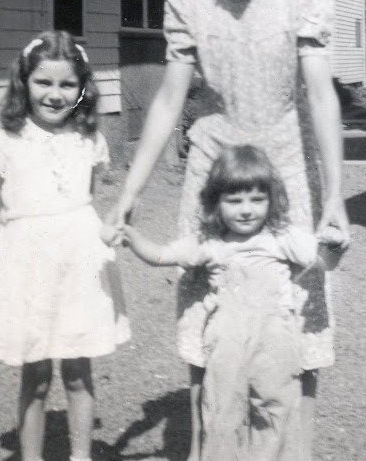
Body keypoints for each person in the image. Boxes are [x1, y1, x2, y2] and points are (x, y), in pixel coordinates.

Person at [108, 0, 349, 461]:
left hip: (287, 164)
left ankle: (294, 450)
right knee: (205, 307)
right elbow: (169, 99)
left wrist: (338, 194)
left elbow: (320, 94)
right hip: (215, 168)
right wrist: (127, 195)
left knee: (298, 309)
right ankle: (207, 451)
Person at [120, 146, 345, 461]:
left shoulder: (283, 237)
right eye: (234, 200)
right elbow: (161, 255)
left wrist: (334, 248)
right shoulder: (210, 242)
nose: (246, 210)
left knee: (276, 409)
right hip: (226, 344)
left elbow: (323, 263)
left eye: (257, 199)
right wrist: (131, 237)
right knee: (223, 412)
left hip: (275, 342)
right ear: (216, 203)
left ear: (271, 199)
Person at [0, 31, 130, 461]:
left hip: (77, 269)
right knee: (36, 375)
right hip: (29, 268)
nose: (56, 94)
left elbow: (85, 203)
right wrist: (24, 240)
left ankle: (81, 456)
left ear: (82, 89)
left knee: (78, 370)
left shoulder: (88, 141)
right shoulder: (3, 140)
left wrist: (100, 235)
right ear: (24, 83)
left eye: (67, 85)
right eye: (44, 82)